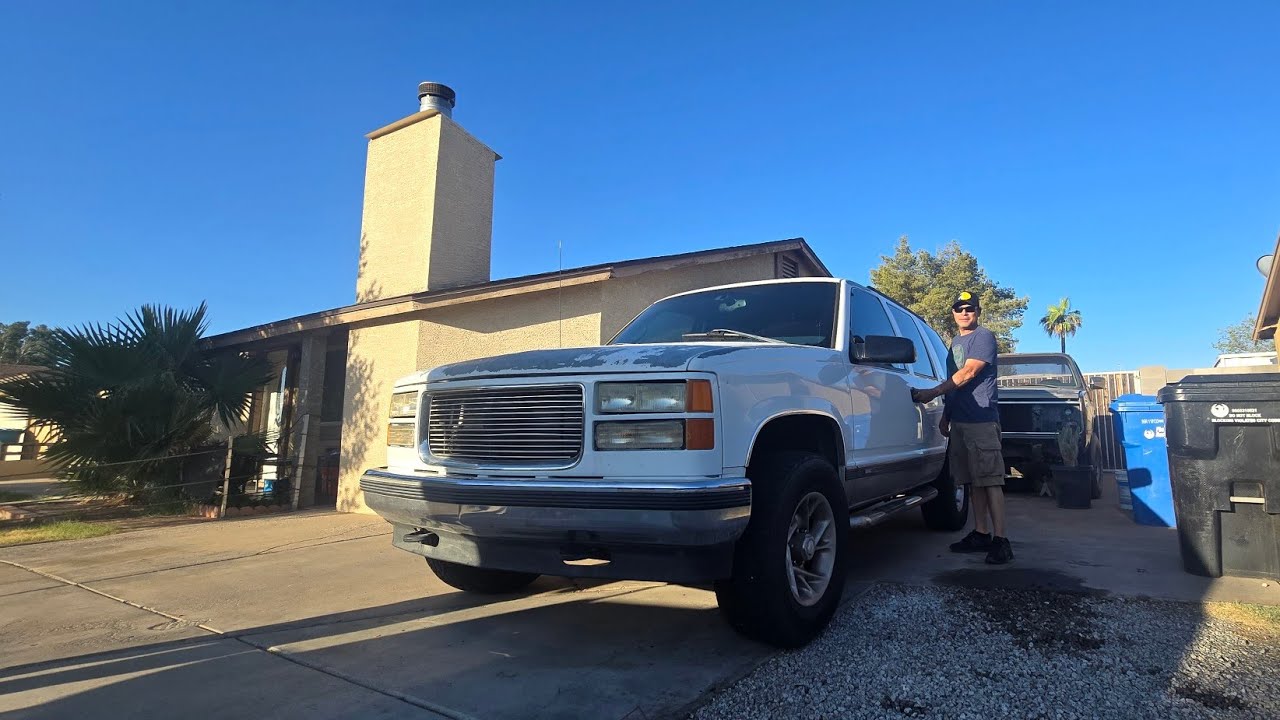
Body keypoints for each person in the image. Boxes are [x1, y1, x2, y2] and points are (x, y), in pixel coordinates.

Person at [910, 291, 1013, 564]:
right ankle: (981, 533)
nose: (964, 312)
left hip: (981, 421)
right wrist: (947, 416)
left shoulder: (983, 337)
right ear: (953, 313)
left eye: (970, 308)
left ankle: (1002, 541)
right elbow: (954, 382)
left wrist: (931, 393)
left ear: (977, 312)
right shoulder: (955, 342)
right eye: (959, 308)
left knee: (990, 481)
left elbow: (968, 373)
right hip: (961, 421)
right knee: (971, 482)